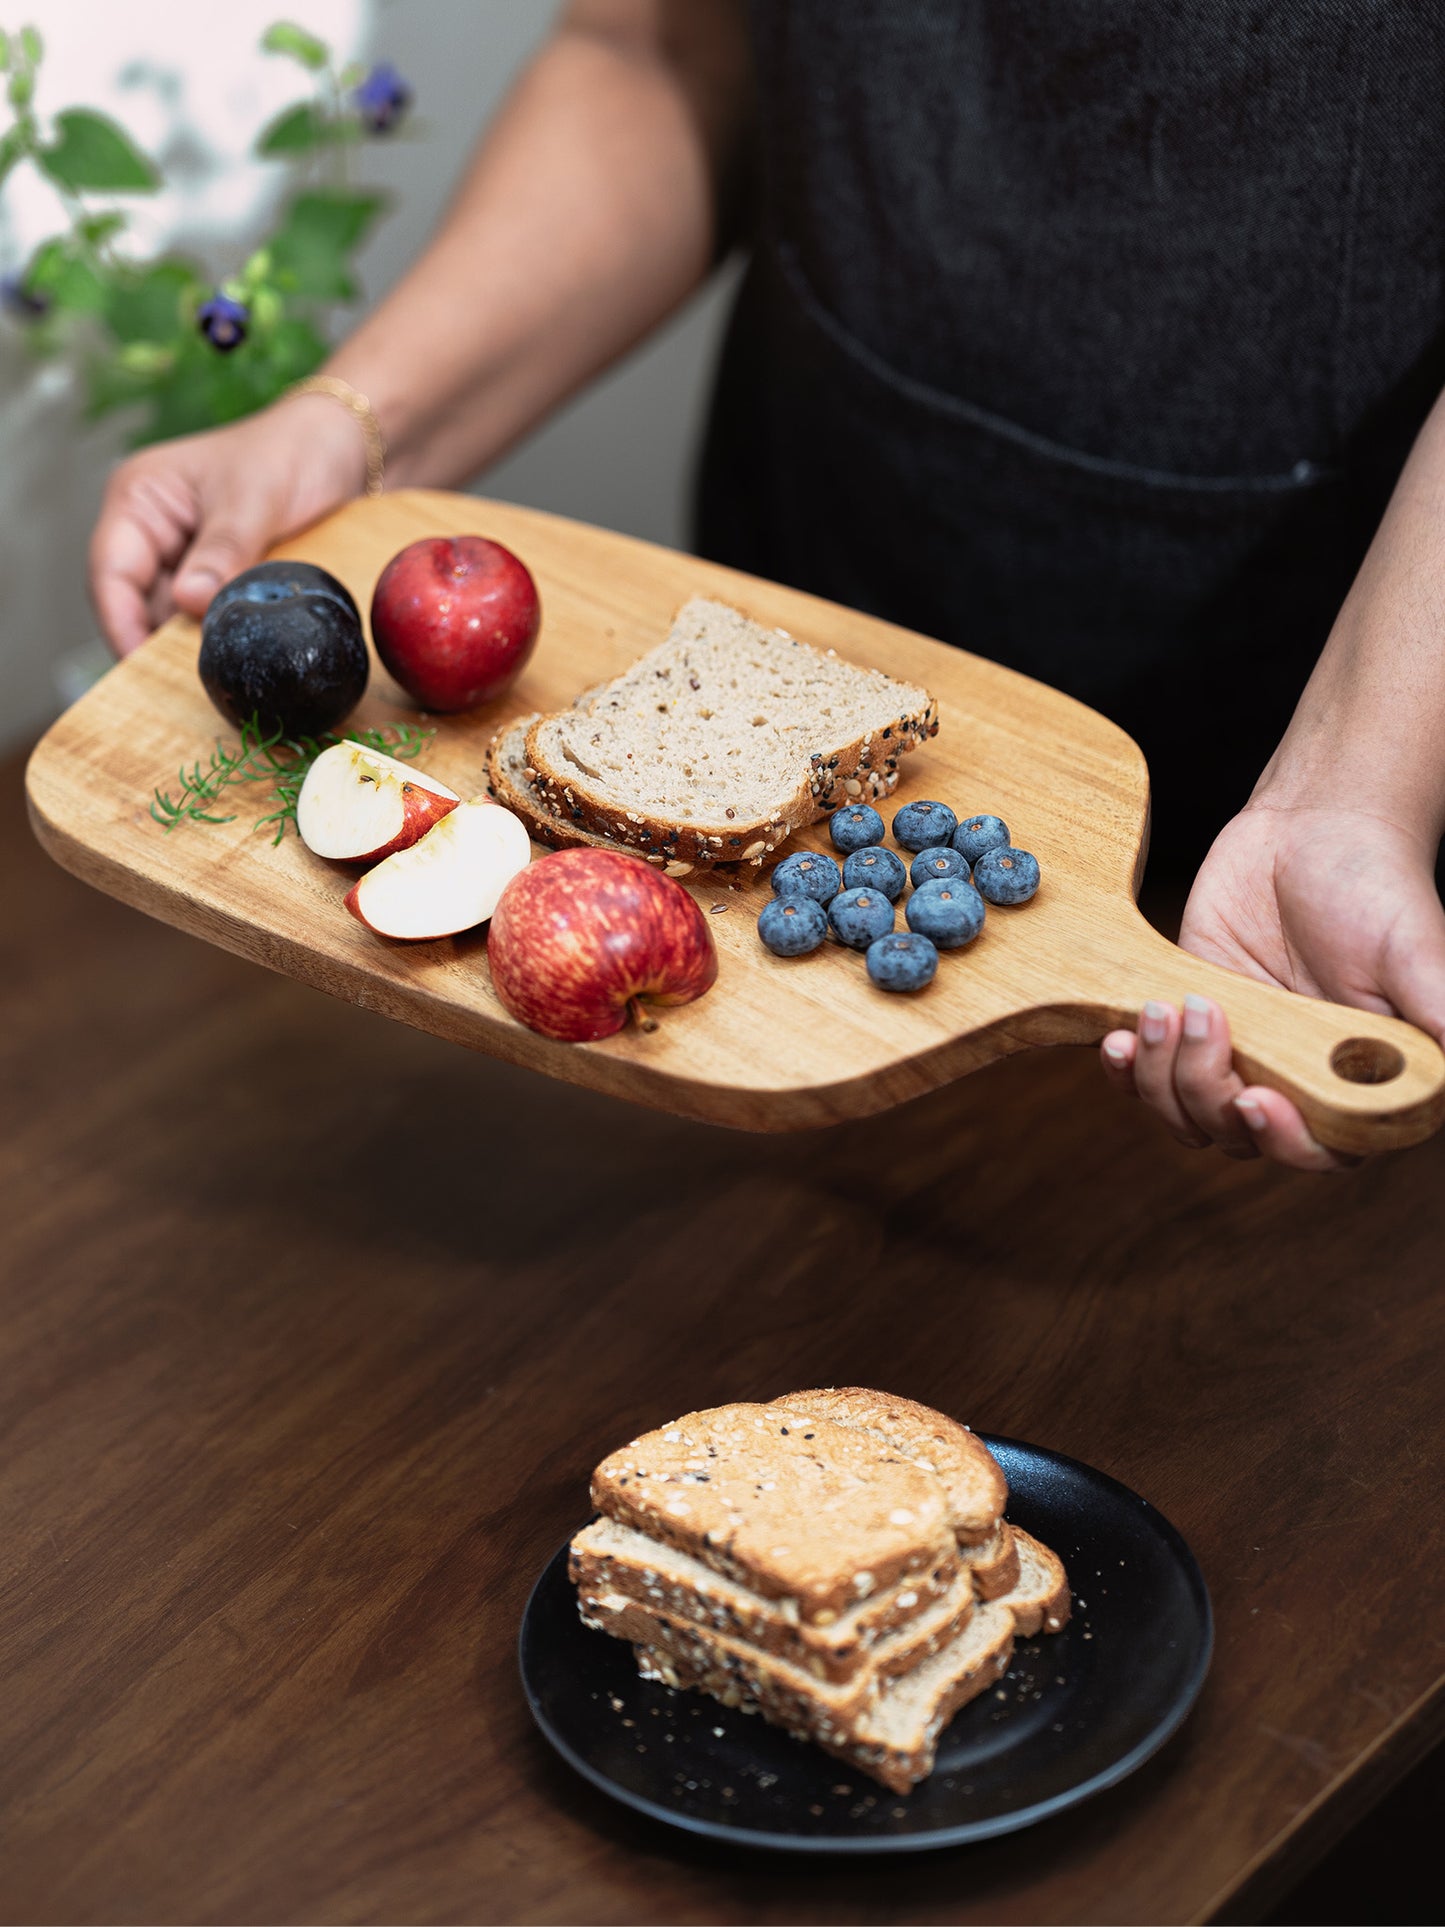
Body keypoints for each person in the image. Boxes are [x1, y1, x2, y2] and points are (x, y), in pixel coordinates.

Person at [88, 2, 1445, 1172]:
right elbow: (661, 53)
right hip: (813, 576)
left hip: (1347, 737)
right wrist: (349, 422)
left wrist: (1355, 783)